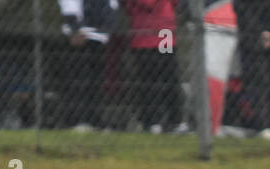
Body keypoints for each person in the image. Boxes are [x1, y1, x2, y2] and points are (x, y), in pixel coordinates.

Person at [57, 0, 117, 131]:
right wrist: (75, 29)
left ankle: (93, 118)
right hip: (79, 35)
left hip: (98, 37)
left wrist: (107, 27)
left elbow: (112, 6)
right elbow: (69, 4)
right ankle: (77, 119)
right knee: (78, 78)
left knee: (96, 80)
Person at [125, 0, 185, 133]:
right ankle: (152, 120)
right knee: (149, 76)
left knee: (170, 74)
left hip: (165, 30)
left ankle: (175, 120)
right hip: (144, 34)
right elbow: (147, 3)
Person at [235, 0, 270, 137]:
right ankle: (263, 126)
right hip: (252, 43)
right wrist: (261, 33)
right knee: (259, 83)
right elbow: (243, 12)